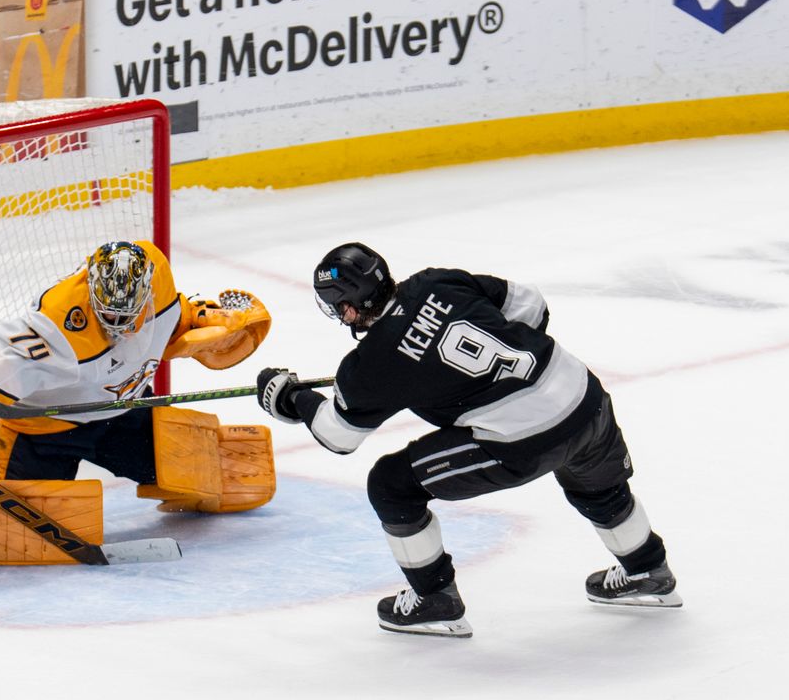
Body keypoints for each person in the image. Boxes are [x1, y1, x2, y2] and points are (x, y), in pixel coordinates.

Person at [256, 242, 680, 637]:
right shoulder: (437, 281)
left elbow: (338, 435)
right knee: (597, 483)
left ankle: (433, 598)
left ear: (350, 307)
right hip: (582, 394)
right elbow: (532, 306)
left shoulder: (371, 364)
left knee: (391, 485)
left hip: (523, 439)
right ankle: (647, 572)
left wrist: (293, 399)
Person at [0, 240, 274, 564]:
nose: (119, 327)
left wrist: (216, 325)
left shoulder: (157, 281)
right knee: (1, 529)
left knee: (218, 476)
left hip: (124, 417)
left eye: (128, 316)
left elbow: (181, 323)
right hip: (45, 435)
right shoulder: (55, 328)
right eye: (108, 316)